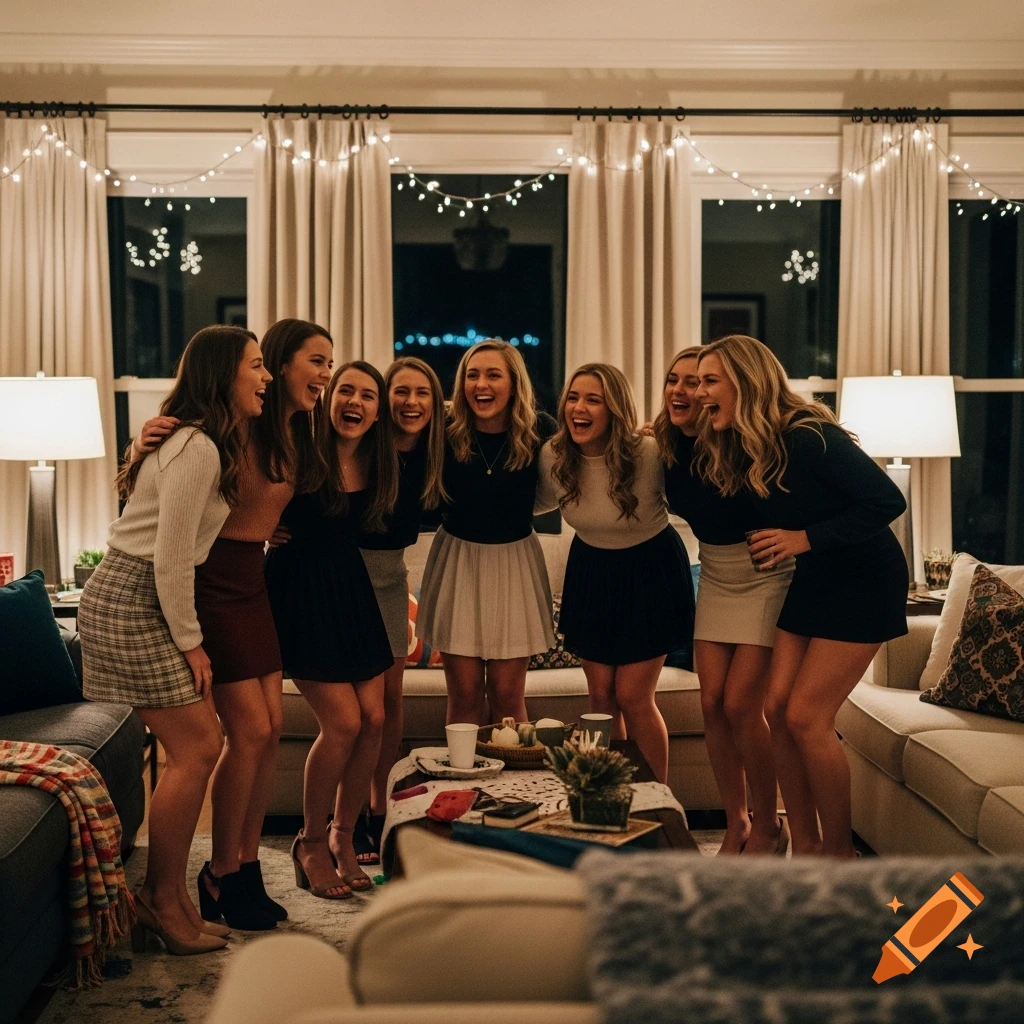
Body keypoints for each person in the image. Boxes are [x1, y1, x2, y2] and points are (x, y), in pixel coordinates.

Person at [78, 325, 270, 954]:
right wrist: (192, 643)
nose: (264, 377)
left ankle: (172, 898)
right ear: (224, 374)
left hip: (135, 594)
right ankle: (161, 902)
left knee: (199, 746)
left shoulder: (197, 442)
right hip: (134, 597)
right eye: (256, 366)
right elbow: (168, 558)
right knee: (199, 747)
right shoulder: (198, 448)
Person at [136, 319, 334, 929]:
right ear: (276, 364)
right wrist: (141, 442)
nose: (325, 374)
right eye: (317, 361)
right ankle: (222, 870)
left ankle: (243, 865)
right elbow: (174, 488)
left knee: (270, 729)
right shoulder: (232, 428)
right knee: (247, 731)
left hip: (253, 579)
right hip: (212, 580)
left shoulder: (299, 431)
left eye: (330, 363)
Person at [695, 335, 908, 858]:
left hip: (864, 580)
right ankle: (805, 846)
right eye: (696, 382)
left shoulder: (810, 437)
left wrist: (804, 539)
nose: (700, 393)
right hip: (813, 578)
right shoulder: (748, 443)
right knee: (775, 707)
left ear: (745, 382)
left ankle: (838, 855)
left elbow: (887, 499)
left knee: (807, 717)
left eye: (709, 381)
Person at [655, 346, 793, 855]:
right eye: (674, 380)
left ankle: (769, 822)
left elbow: (794, 495)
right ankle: (735, 823)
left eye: (697, 382)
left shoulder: (741, 440)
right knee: (710, 703)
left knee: (740, 705)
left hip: (765, 576)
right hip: (714, 576)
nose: (682, 390)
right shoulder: (665, 447)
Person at [265, 361, 395, 898]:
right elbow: (231, 475)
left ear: (377, 411)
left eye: (368, 395)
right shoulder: (297, 445)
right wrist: (251, 525)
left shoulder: (379, 460)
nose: (356, 402)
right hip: (299, 592)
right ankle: (310, 841)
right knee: (342, 723)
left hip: (350, 589)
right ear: (329, 397)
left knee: (376, 718)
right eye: (346, 389)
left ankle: (345, 836)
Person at [536, 363, 694, 784]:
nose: (579, 408)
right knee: (600, 698)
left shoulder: (649, 452)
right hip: (592, 571)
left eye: (593, 399)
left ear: (615, 409)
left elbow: (699, 490)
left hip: (651, 570)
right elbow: (525, 504)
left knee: (633, 696)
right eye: (573, 397)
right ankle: (609, 795)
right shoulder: (553, 454)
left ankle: (657, 802)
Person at [416, 339, 557, 726]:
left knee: (508, 696)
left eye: (494, 375)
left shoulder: (540, 430)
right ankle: (462, 785)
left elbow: (569, 479)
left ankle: (514, 788)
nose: (481, 384)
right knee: (463, 696)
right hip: (458, 561)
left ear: (514, 383)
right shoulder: (443, 430)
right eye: (472, 375)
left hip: (515, 562)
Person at [354, 356, 448, 865]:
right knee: (359, 714)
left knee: (390, 704)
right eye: (400, 392)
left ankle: (377, 809)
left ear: (436, 404)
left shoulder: (440, 453)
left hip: (392, 580)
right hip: (346, 579)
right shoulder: (362, 446)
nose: (411, 403)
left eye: (422, 393)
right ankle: (340, 819)